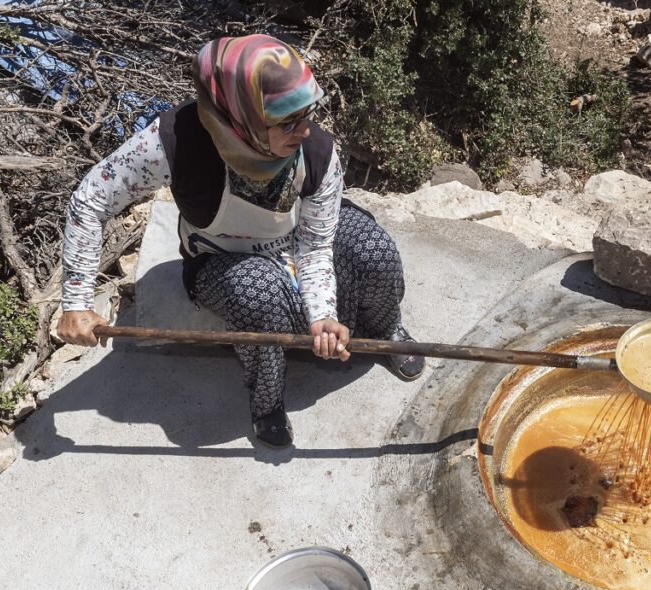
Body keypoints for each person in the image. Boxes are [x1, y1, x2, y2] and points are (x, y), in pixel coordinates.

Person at [57, 34, 424, 448]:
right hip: (222, 256)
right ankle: (267, 399)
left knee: (374, 250)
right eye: (287, 122)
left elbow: (316, 245)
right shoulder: (174, 141)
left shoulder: (317, 151)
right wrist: (77, 301)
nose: (304, 131)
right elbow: (91, 199)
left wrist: (322, 314)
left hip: (297, 238)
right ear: (239, 117)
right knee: (258, 294)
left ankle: (385, 331)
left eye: (307, 114)